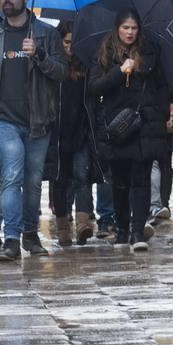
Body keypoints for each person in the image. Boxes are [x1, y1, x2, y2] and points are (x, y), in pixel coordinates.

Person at [0, 0, 68, 262]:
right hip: (4, 120)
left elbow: (62, 73)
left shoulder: (45, 33)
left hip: (38, 120)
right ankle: (11, 238)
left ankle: (31, 233)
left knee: (32, 182)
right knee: (11, 176)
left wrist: (39, 55)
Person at [88, 9, 169, 252]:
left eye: (134, 28)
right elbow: (95, 89)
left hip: (144, 126)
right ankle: (122, 230)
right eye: (125, 28)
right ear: (117, 29)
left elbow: (162, 88)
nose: (130, 32)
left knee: (142, 179)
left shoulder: (150, 53)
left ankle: (137, 231)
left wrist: (158, 114)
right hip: (117, 128)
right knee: (120, 182)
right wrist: (118, 71)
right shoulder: (104, 54)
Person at [50, 21, 99, 247]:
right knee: (60, 180)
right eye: (67, 42)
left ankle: (82, 224)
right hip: (57, 132)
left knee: (82, 176)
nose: (70, 47)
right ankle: (62, 229)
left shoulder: (86, 67)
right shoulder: (54, 67)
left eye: (74, 42)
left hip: (80, 130)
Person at [147, 81, 173, 229]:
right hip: (151, 116)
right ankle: (155, 204)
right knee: (152, 163)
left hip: (169, 120)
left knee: (166, 164)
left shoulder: (171, 65)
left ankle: (164, 203)